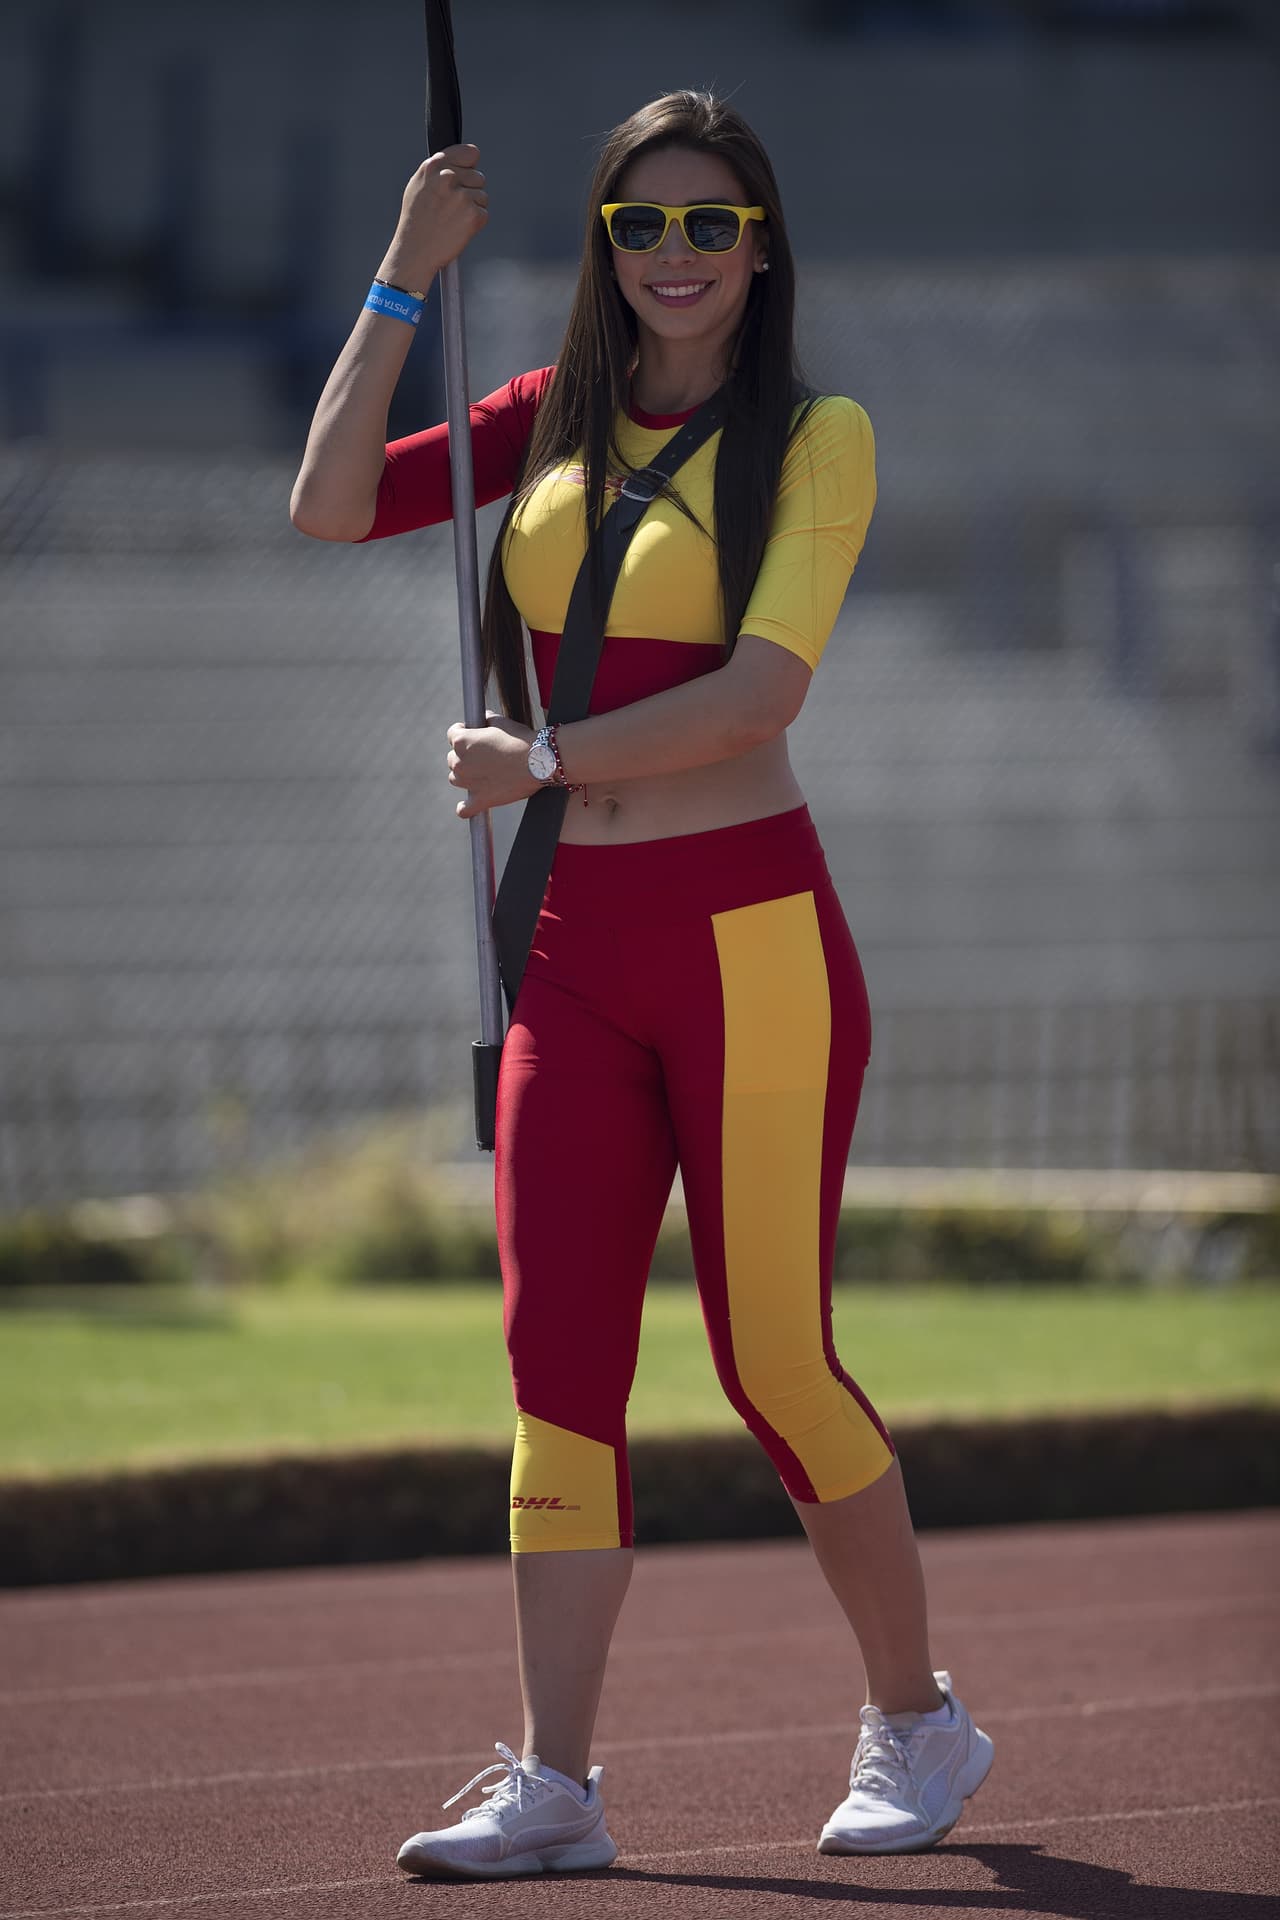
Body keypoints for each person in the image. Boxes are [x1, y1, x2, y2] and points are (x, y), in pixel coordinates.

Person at [290, 88, 994, 1883]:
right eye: (638, 224)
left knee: (774, 1359)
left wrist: (542, 751)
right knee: (556, 1369)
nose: (673, 257)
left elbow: (764, 695)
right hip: (566, 959)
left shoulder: (815, 435)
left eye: (709, 223)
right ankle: (558, 1784)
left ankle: (919, 1717)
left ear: (762, 246)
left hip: (750, 945)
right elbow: (323, 503)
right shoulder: (544, 419)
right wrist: (400, 270)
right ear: (602, 246)